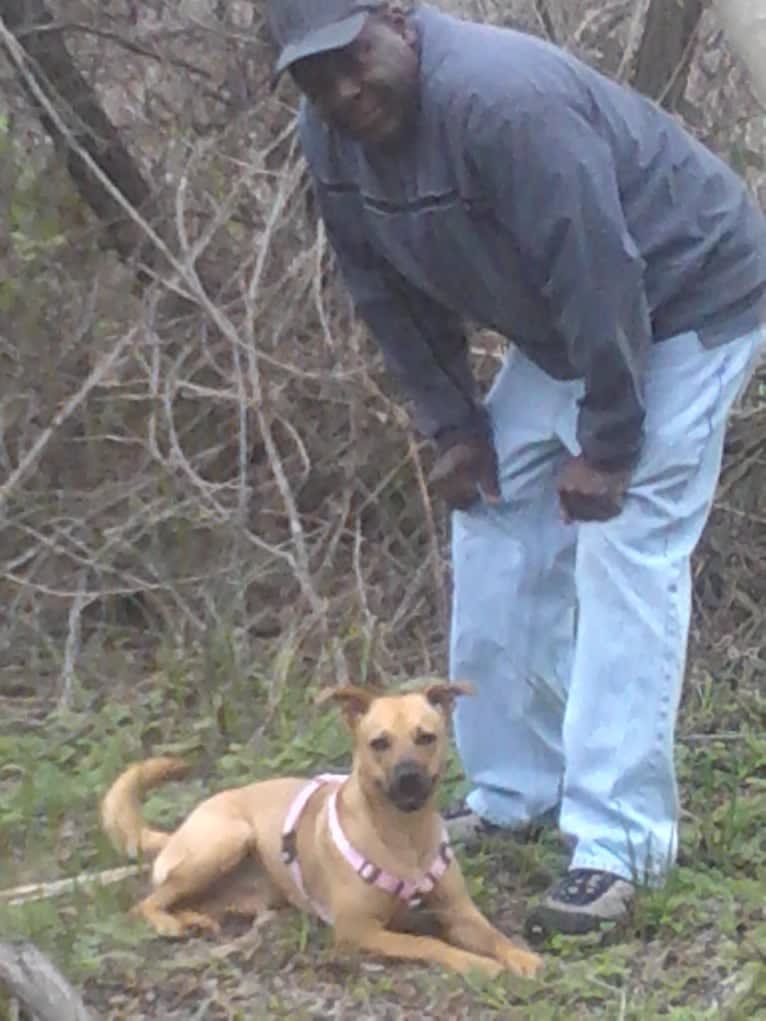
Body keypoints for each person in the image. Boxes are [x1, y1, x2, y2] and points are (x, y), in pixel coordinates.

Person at [266, 0, 766, 937]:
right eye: (311, 77)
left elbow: (601, 264)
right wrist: (455, 427)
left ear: (398, 23)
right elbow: (379, 287)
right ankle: (510, 788)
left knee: (622, 537)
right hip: (572, 318)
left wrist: (611, 441)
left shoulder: (502, 102)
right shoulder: (330, 137)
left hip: (691, 295)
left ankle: (620, 843)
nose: (341, 91)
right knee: (492, 509)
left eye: (352, 59)